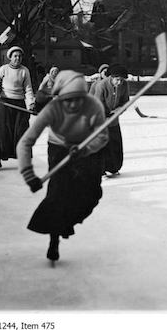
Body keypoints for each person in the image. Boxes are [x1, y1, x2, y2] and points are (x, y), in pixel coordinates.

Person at [16, 70, 109, 263]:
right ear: (60, 98)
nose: (74, 104)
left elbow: (102, 136)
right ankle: (54, 240)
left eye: (78, 99)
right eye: (68, 99)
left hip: (85, 149)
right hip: (58, 148)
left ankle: (66, 222)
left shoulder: (93, 106)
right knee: (58, 196)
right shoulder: (52, 109)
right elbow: (25, 142)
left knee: (91, 195)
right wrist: (28, 174)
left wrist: (85, 150)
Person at [0, 46, 36, 169]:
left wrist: (31, 104)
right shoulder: (4, 69)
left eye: (20, 56)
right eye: (15, 56)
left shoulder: (25, 71)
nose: (18, 58)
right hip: (5, 104)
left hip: (19, 104)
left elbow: (28, 90)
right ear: (10, 57)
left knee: (21, 132)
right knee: (2, 131)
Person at [91, 64, 129, 176]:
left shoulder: (124, 85)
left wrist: (118, 111)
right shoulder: (101, 85)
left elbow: (125, 101)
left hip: (113, 121)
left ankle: (113, 168)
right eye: (117, 80)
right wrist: (105, 114)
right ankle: (100, 170)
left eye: (122, 80)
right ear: (111, 77)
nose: (119, 82)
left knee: (115, 145)